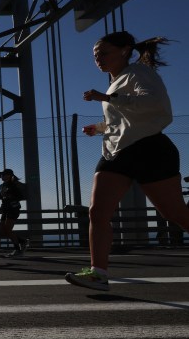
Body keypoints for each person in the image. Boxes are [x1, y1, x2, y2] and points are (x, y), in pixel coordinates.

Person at [65, 31, 189, 291]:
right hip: (117, 153)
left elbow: (157, 105)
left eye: (103, 52)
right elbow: (125, 121)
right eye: (95, 55)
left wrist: (108, 98)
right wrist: (99, 128)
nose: (98, 58)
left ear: (124, 51)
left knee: (175, 214)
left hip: (150, 149)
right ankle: (98, 274)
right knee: (97, 212)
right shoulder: (115, 81)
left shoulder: (139, 72)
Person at [0, 168, 29, 257]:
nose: (3, 176)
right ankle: (23, 241)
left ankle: (18, 250)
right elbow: (4, 198)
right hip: (5, 209)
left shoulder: (14, 185)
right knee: (3, 231)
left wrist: (9, 196)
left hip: (13, 208)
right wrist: (0, 197)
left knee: (8, 230)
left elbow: (20, 196)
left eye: (5, 174)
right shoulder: (2, 186)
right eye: (2, 174)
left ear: (10, 176)